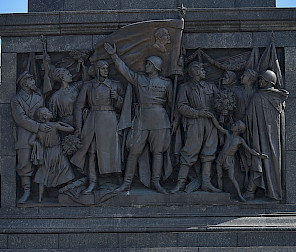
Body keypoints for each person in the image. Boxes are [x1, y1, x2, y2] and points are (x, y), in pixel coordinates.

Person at [104, 42, 174, 194]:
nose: (145, 66)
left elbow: (171, 104)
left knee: (158, 152)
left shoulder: (167, 83)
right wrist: (114, 56)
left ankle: (156, 182)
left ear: (155, 67)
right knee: (134, 150)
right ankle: (126, 183)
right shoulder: (139, 79)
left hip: (160, 120)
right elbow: (125, 72)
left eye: (148, 64)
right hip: (142, 118)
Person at [72, 60, 124, 194]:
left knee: (113, 151)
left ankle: (119, 179)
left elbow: (124, 107)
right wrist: (79, 128)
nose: (106, 70)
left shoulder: (115, 85)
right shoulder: (88, 86)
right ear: (96, 70)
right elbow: (79, 106)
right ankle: (92, 182)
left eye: (107, 68)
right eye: (102, 68)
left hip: (109, 120)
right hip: (93, 119)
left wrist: (117, 99)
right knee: (91, 151)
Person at [171, 61, 220, 193]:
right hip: (194, 122)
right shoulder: (185, 88)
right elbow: (181, 106)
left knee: (209, 151)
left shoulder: (211, 86)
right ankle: (180, 183)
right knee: (189, 151)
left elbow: (219, 101)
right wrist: (198, 113)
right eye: (201, 69)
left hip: (211, 121)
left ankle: (206, 183)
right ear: (195, 72)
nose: (204, 71)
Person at [244, 69, 288, 200]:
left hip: (259, 135)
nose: (259, 82)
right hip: (276, 139)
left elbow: (249, 117)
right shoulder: (280, 98)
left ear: (267, 81)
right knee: (273, 162)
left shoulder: (258, 97)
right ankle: (274, 191)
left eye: (261, 80)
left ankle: (251, 191)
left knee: (258, 160)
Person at [12, 71, 49, 203]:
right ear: (24, 83)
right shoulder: (16, 99)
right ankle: (26, 190)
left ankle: (43, 192)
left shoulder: (38, 97)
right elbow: (20, 118)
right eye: (31, 80)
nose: (34, 82)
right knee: (24, 163)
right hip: (24, 134)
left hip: (41, 133)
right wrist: (38, 126)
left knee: (43, 162)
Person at [213, 120, 267, 201]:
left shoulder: (239, 140)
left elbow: (249, 149)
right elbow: (218, 126)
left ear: (238, 129)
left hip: (229, 159)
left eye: (235, 124)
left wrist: (258, 155)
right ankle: (220, 191)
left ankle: (239, 195)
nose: (232, 124)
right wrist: (212, 117)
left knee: (231, 177)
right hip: (221, 157)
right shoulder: (228, 134)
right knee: (219, 175)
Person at [31, 106, 76, 202]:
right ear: (45, 116)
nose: (51, 112)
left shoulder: (38, 129)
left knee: (43, 174)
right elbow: (71, 129)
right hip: (57, 151)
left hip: (46, 153)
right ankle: (71, 189)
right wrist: (62, 123)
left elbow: (31, 141)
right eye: (48, 112)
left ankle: (40, 198)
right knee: (65, 169)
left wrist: (38, 144)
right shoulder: (55, 125)